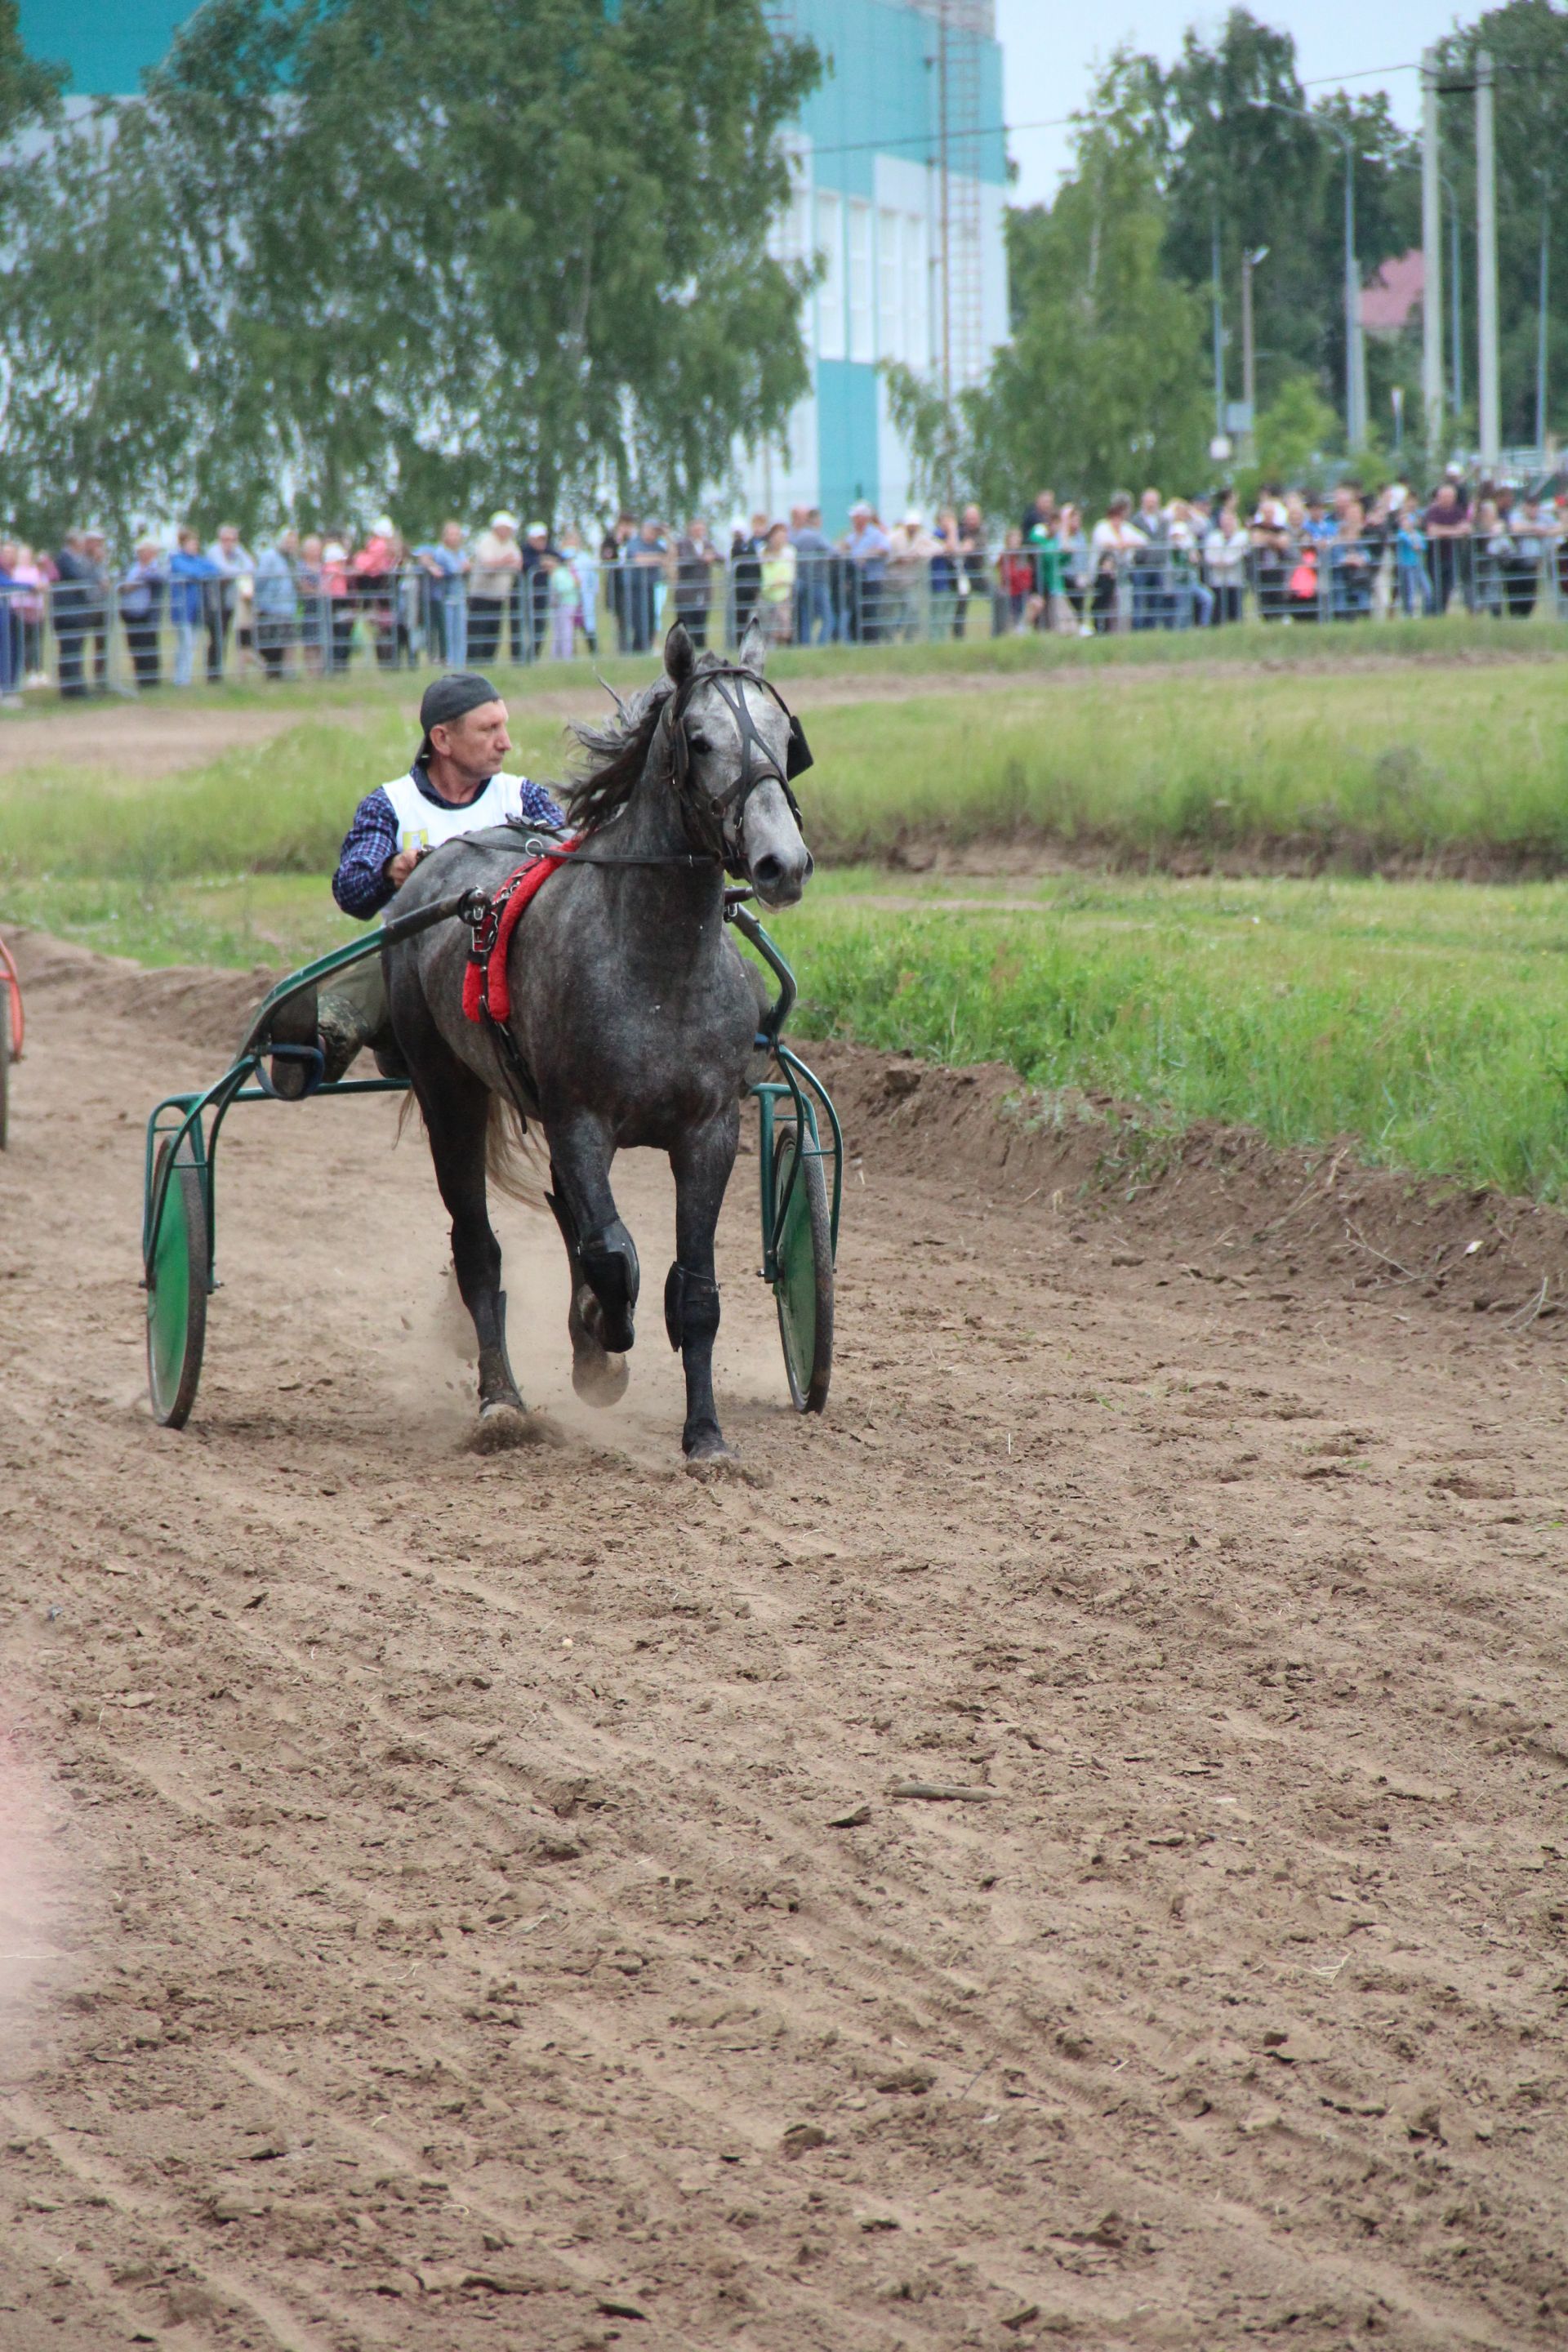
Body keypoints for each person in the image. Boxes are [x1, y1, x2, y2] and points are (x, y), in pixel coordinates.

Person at [276, 673, 568, 1098]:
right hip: (419, 1002)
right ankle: (318, 1046)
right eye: (489, 730)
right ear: (442, 740)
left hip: (511, 980)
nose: (506, 742)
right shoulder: (391, 805)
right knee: (390, 949)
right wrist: (391, 871)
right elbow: (351, 891)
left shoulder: (525, 799)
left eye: (503, 726)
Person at [468, 510, 522, 666]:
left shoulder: (511, 544)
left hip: (499, 597)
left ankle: (488, 662)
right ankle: (474, 662)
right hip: (481, 595)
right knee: (478, 631)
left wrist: (504, 563)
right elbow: (488, 564)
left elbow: (517, 563)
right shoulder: (486, 542)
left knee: (493, 631)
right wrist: (505, 561)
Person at [167, 528, 220, 687]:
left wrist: (199, 574)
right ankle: (181, 678)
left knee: (192, 644)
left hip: (197, 609)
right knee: (186, 643)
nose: (194, 546)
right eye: (191, 543)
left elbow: (214, 570)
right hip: (183, 610)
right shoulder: (176, 559)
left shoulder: (199, 560)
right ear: (183, 544)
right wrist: (199, 574)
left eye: (196, 543)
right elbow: (191, 572)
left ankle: (185, 676)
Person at [416, 520, 470, 666]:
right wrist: (462, 567)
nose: (455, 537)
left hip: (459, 597)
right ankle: (449, 662)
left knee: (460, 633)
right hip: (445, 599)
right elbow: (454, 569)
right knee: (448, 633)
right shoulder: (441, 552)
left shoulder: (461, 552)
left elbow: (465, 567)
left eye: (457, 534)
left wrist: (464, 567)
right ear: (445, 536)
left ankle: (461, 663)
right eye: (451, 534)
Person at [206, 522, 255, 681]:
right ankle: (214, 675)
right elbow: (222, 569)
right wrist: (240, 572)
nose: (230, 543)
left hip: (235, 601)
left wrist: (237, 572)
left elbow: (250, 565)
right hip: (216, 603)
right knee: (218, 638)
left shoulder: (238, 551)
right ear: (220, 538)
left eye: (233, 539)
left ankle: (241, 673)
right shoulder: (214, 551)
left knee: (242, 634)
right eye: (226, 539)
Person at [119, 537, 167, 688]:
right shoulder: (131, 567)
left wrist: (137, 581)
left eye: (146, 551)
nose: (142, 554)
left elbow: (159, 578)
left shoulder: (157, 566)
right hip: (130, 613)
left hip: (147, 613)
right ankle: (140, 677)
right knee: (134, 645)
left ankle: (151, 679)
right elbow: (121, 584)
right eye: (140, 551)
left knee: (149, 644)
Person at [252, 530, 299, 677]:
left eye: (294, 542)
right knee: (271, 643)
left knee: (286, 642)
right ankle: (272, 673)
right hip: (271, 606)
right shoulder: (270, 556)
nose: (291, 545)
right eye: (288, 541)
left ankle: (283, 673)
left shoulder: (291, 560)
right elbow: (260, 580)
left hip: (287, 608)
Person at [844, 501, 889, 644]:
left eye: (856, 517)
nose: (853, 520)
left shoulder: (875, 534)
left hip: (871, 579)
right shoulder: (851, 537)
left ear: (863, 518)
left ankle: (872, 643)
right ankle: (856, 642)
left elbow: (885, 548)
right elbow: (844, 549)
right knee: (855, 612)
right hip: (856, 581)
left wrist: (867, 554)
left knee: (870, 612)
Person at [674, 517, 723, 648]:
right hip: (686, 593)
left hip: (703, 592)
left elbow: (720, 558)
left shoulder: (708, 544)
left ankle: (701, 652)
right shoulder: (683, 544)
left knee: (701, 624)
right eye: (696, 529)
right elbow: (684, 559)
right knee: (685, 626)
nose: (699, 532)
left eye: (701, 529)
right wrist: (701, 558)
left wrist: (713, 557)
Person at [621, 516, 668, 654]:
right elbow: (638, 559)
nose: (653, 533)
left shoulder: (657, 544)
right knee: (638, 621)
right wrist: (658, 558)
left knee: (651, 620)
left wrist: (667, 536)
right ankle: (637, 649)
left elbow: (670, 557)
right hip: (635, 588)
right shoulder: (634, 542)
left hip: (650, 587)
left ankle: (646, 647)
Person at [790, 507, 835, 646]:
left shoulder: (797, 536)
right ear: (816, 520)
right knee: (828, 618)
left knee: (806, 618)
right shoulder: (816, 536)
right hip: (818, 582)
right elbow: (833, 552)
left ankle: (805, 645)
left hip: (801, 582)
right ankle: (822, 644)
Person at [1204, 497, 1250, 625]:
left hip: (1235, 580)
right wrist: (1219, 561)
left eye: (1229, 521)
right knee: (1218, 612)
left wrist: (1223, 560)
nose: (1227, 524)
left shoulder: (1242, 536)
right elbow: (1209, 556)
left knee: (1235, 612)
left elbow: (1236, 555)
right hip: (1217, 581)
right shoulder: (1214, 537)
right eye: (1224, 521)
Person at [757, 520, 796, 644]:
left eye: (783, 537)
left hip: (783, 596)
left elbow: (790, 573)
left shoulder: (789, 552)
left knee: (784, 630)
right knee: (767, 629)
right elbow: (761, 572)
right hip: (766, 595)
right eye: (778, 536)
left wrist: (782, 582)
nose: (781, 540)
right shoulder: (762, 552)